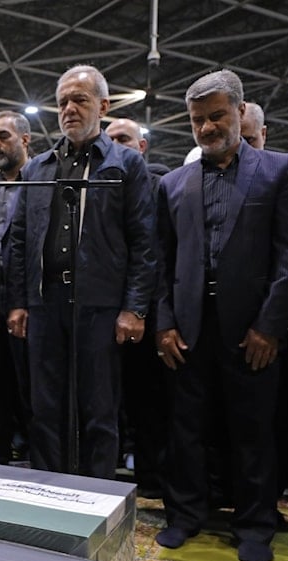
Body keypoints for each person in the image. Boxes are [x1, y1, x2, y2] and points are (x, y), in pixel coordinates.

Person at [154, 70, 288, 561]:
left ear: (241, 112)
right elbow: (160, 262)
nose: (206, 127)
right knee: (187, 429)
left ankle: (255, 524)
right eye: (197, 120)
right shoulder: (172, 184)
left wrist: (271, 326)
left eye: (216, 115)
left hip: (252, 330)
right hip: (189, 327)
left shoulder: (281, 172)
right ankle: (185, 515)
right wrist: (164, 323)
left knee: (254, 430)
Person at [6, 66, 157, 478]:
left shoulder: (125, 164)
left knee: (99, 408)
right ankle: (49, 493)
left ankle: (96, 497)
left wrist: (134, 309)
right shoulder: (38, 168)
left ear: (104, 106)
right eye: (63, 103)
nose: (69, 109)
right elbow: (20, 240)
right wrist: (19, 301)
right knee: (45, 407)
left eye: (80, 100)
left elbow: (144, 241)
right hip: (44, 304)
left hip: (100, 306)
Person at [105, 116, 170, 498]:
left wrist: (143, 309)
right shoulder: (97, 185)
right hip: (102, 314)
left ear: (142, 147)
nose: (117, 147)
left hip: (144, 314)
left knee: (148, 403)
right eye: (111, 139)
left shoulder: (158, 187)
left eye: (125, 139)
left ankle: (152, 479)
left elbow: (158, 254)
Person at [0, 110, 33, 464]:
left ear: (25, 140)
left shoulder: (40, 182)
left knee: (31, 395)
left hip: (30, 308)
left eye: (3, 136)